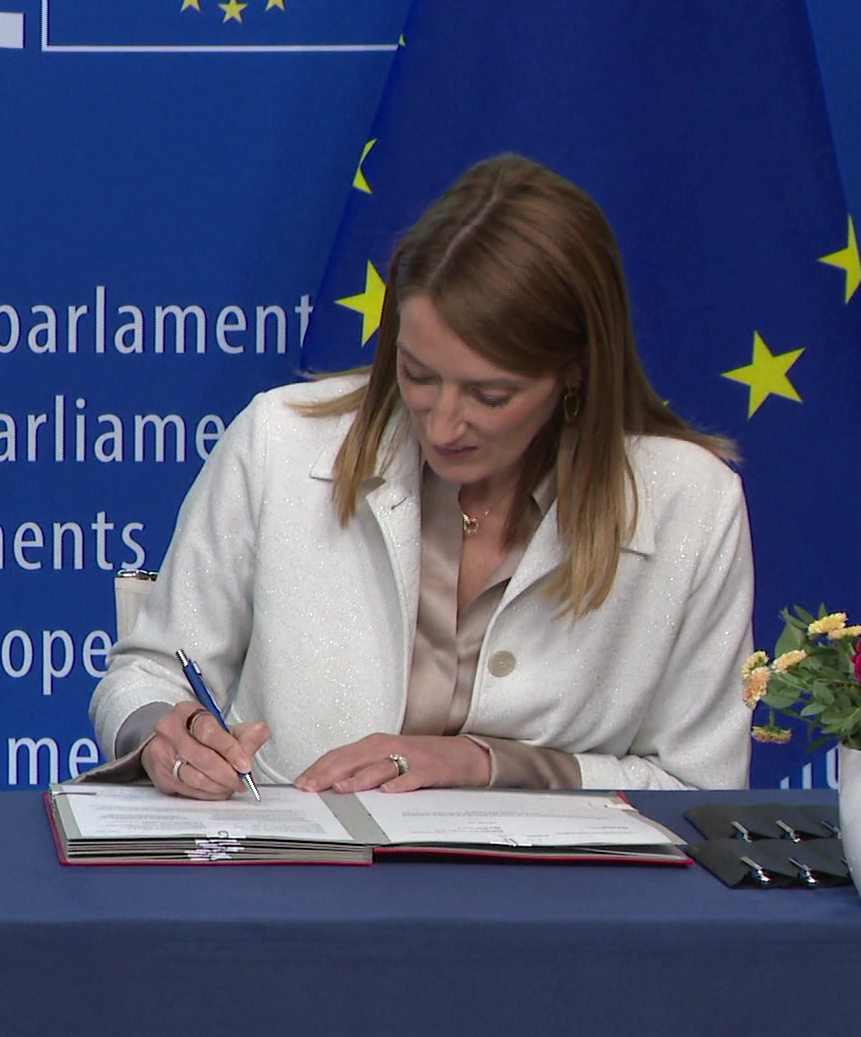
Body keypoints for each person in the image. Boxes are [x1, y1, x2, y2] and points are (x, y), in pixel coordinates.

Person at [90, 154, 752, 798]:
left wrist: (484, 765)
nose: (442, 426)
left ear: (574, 372)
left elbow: (700, 787)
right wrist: (161, 734)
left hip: (567, 909)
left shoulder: (692, 502)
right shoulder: (280, 441)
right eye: (419, 375)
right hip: (306, 895)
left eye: (490, 397)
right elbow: (147, 674)